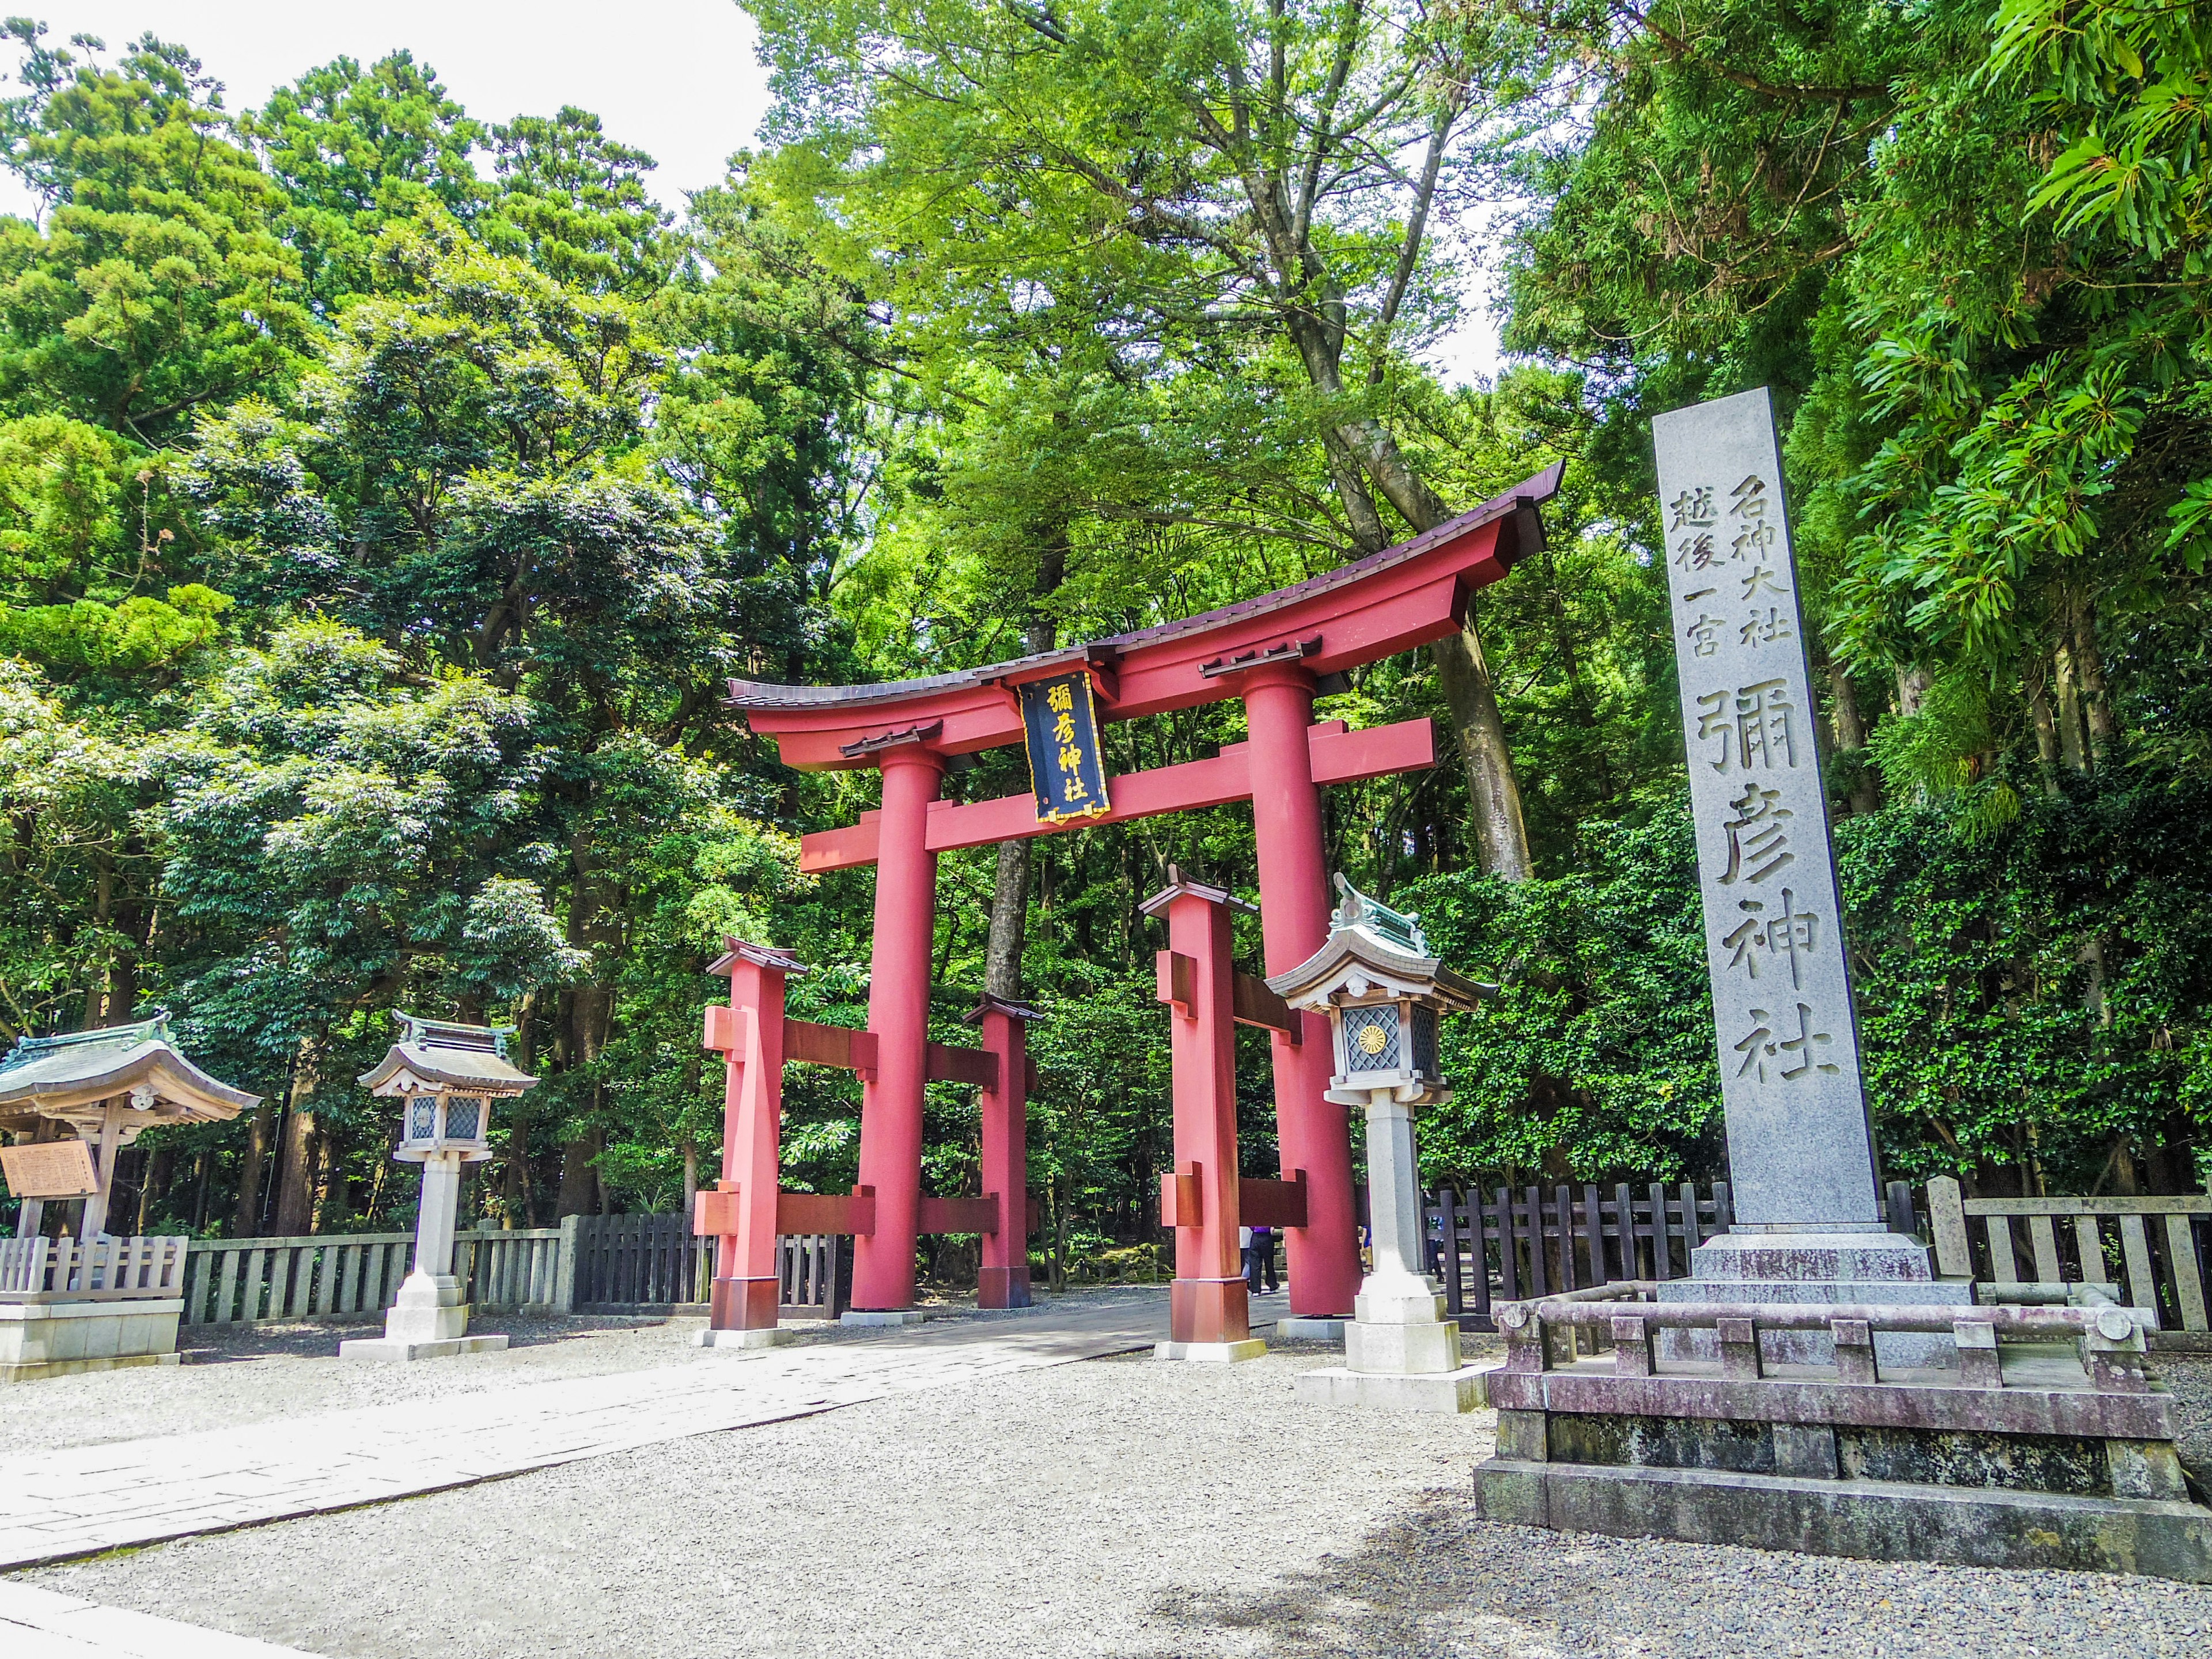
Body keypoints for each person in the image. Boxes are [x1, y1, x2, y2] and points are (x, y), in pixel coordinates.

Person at [1245, 1224, 1279, 1293]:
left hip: (1255, 1236)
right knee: (1269, 1262)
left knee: (1255, 1265)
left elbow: (1250, 1226)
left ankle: (1255, 1289)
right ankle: (1272, 1285)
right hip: (1266, 1235)